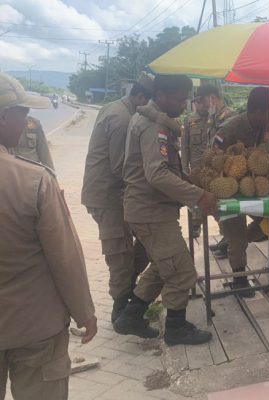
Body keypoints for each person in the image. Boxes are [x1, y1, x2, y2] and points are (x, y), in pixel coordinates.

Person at [0, 71, 97, 400]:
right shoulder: (34, 181)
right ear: (2, 117)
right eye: (21, 114)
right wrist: (85, 312)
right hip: (35, 327)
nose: (26, 121)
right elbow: (65, 257)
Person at [114, 74, 219, 346]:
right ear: (160, 96)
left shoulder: (159, 122)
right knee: (182, 271)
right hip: (150, 211)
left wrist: (189, 182)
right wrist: (198, 196)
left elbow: (167, 170)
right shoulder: (152, 127)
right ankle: (176, 328)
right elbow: (157, 175)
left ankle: (131, 316)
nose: (184, 104)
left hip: (152, 209)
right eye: (179, 98)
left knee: (165, 266)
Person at [81, 72, 153, 324]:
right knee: (120, 252)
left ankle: (128, 296)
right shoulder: (122, 119)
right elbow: (120, 166)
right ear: (141, 96)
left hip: (118, 193)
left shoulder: (120, 109)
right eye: (150, 103)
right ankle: (122, 313)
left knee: (144, 242)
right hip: (107, 196)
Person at [211, 87, 269, 296]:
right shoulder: (229, 128)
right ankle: (239, 280)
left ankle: (234, 243)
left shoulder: (263, 126)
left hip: (253, 187)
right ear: (258, 111)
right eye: (268, 112)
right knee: (236, 237)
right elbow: (214, 159)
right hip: (228, 190)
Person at [182, 84, 235, 245]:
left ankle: (227, 239)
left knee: (220, 209)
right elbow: (185, 147)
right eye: (198, 101)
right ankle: (197, 229)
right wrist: (186, 169)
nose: (201, 105)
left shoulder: (225, 117)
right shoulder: (192, 120)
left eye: (204, 101)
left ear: (211, 99)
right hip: (200, 171)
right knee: (198, 205)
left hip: (220, 173)